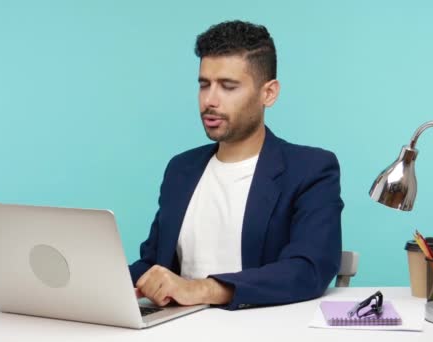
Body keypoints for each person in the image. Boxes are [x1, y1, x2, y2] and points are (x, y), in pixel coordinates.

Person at [129, 20, 343, 310]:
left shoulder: (311, 169)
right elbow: (153, 263)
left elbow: (308, 269)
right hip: (177, 329)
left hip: (261, 328)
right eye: (204, 85)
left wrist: (203, 289)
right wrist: (103, 285)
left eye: (228, 87)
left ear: (269, 93)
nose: (210, 100)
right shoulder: (181, 169)